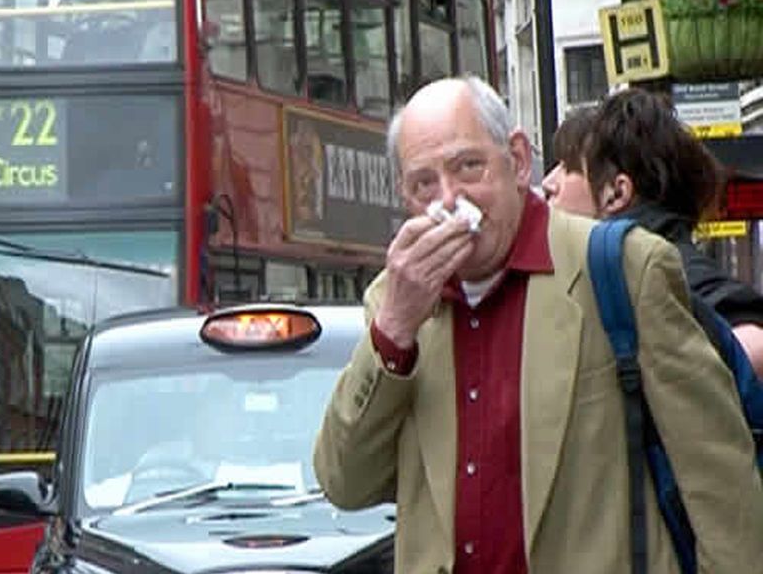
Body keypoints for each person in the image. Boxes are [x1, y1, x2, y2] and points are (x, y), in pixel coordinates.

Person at [312, 76, 763, 574]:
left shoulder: (622, 268)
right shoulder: (394, 303)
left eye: (468, 167)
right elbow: (344, 483)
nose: (449, 199)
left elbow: (720, 481)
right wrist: (393, 332)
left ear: (518, 159)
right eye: (424, 183)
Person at [541, 91, 763, 378]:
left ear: (617, 193)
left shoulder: (665, 266)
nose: (548, 182)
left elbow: (753, 344)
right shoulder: (607, 269)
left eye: (569, 168)